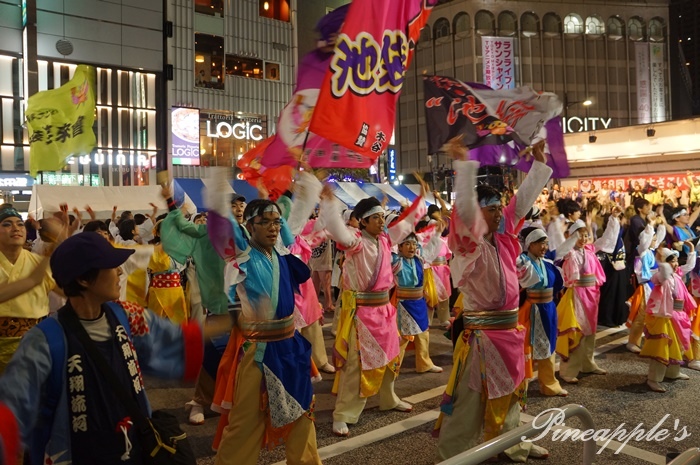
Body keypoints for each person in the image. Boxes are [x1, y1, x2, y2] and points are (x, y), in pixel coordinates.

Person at [0, 232, 203, 463]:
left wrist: (233, 323)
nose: (119, 272)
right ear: (84, 280)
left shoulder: (125, 314)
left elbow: (172, 338)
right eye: (111, 266)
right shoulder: (44, 340)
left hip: (135, 447)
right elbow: (13, 408)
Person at [434, 138, 552, 462]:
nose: (499, 212)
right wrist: (464, 167)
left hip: (510, 334)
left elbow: (522, 201)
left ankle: (513, 445)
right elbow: (466, 211)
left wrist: (538, 165)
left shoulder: (506, 238)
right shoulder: (466, 243)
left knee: (512, 397)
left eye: (499, 206)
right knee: (468, 404)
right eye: (491, 207)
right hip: (481, 338)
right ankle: (454, 456)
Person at [206, 173, 321, 465]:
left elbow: (298, 214)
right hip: (259, 352)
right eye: (265, 222)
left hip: (290, 348)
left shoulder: (282, 255)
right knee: (246, 423)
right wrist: (217, 187)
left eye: (276, 222)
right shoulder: (242, 257)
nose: (273, 227)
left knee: (303, 415)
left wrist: (307, 182)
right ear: (249, 226)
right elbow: (221, 223)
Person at [319, 177, 429, 437]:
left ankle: (388, 398)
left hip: (385, 310)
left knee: (392, 359)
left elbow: (408, 223)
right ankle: (343, 413)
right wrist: (327, 200)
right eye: (376, 218)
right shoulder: (355, 242)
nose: (382, 221)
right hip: (363, 313)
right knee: (357, 365)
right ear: (363, 221)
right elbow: (336, 227)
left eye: (383, 217)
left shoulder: (385, 240)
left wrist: (420, 199)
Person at [555, 212, 619, 384]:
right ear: (571, 236)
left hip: (592, 293)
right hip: (577, 293)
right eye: (579, 235)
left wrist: (612, 220)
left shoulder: (589, 249)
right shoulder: (569, 253)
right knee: (576, 331)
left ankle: (588, 363)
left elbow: (607, 241)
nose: (583, 239)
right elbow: (560, 254)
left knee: (590, 331)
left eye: (585, 235)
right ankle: (568, 370)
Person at [0, 205, 58, 374]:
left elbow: (67, 291)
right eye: (7, 224)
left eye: (19, 223)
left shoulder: (37, 262)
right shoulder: (40, 266)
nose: (16, 228)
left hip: (35, 345)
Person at [517, 227, 567, 397]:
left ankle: (549, 384)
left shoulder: (547, 264)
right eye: (540, 243)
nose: (544, 247)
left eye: (545, 243)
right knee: (525, 348)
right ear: (529, 245)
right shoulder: (522, 262)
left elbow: (558, 285)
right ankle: (520, 385)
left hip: (548, 309)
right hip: (529, 310)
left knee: (549, 346)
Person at [640, 246, 696, 392]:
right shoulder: (659, 276)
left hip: (678, 315)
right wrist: (662, 260)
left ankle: (673, 372)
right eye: (673, 261)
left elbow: (690, 266)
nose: (676, 264)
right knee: (662, 347)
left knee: (677, 345)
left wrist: (691, 251)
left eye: (677, 261)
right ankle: (653, 379)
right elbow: (664, 274)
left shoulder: (677, 275)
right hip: (665, 316)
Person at [393, 227, 444, 374]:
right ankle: (393, 368)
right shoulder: (396, 263)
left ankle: (424, 364)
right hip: (404, 304)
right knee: (404, 338)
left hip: (419, 302)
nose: (412, 247)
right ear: (400, 247)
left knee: (423, 334)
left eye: (414, 244)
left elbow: (431, 250)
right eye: (407, 244)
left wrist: (438, 233)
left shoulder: (419, 259)